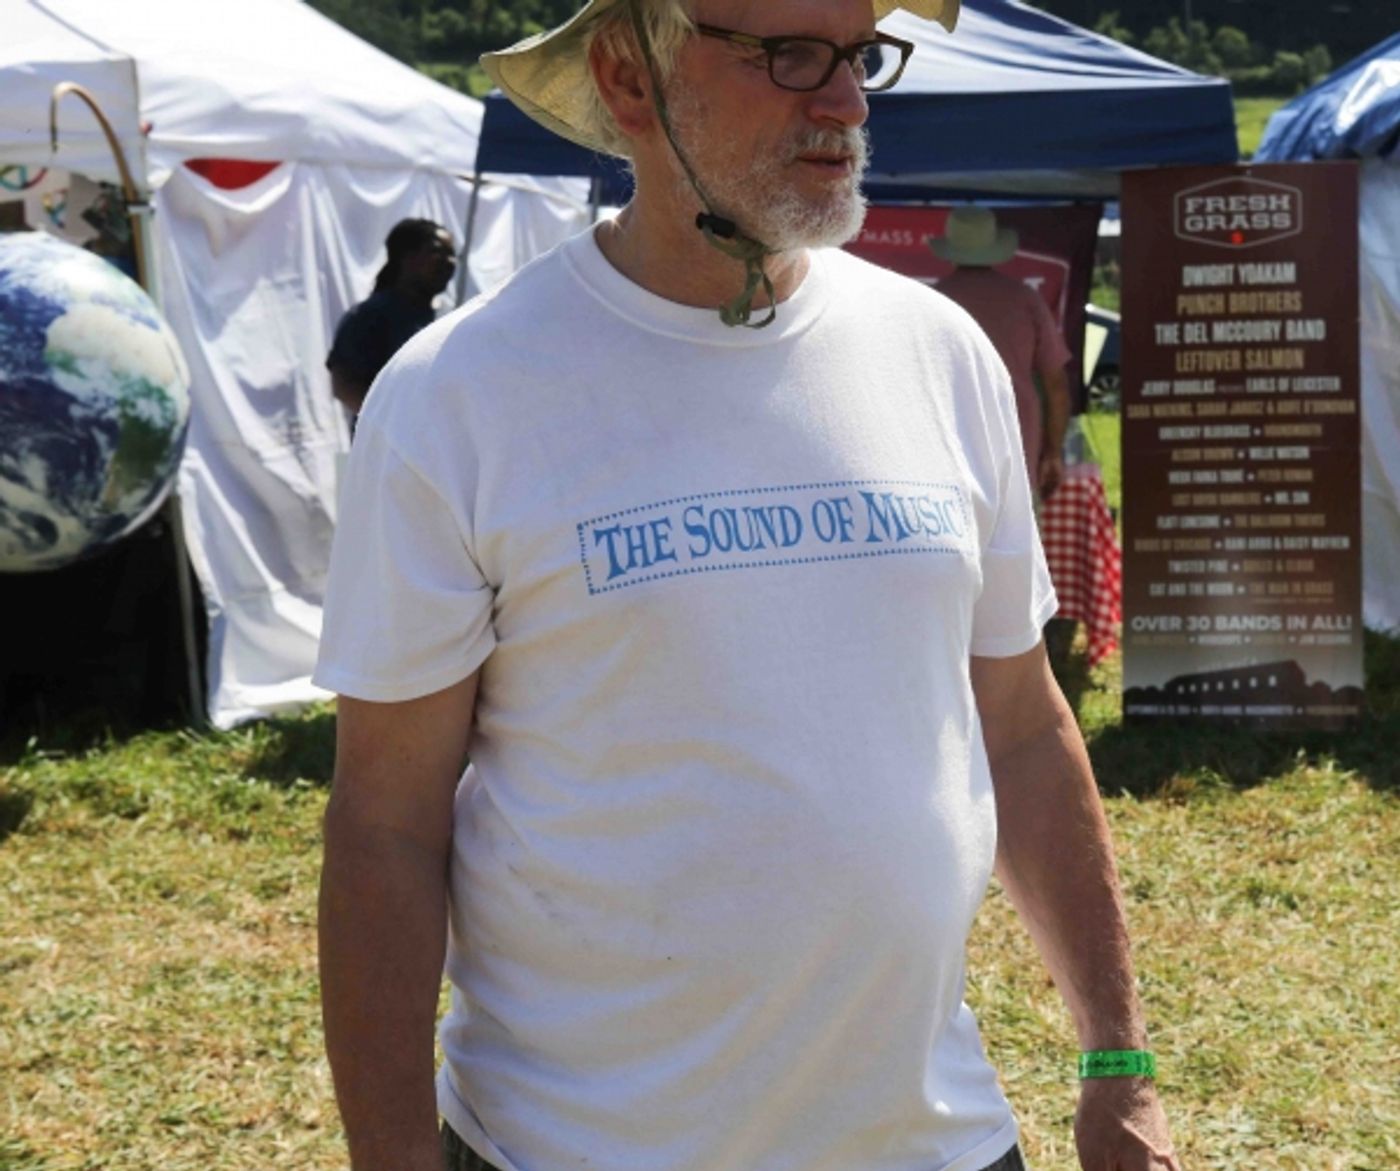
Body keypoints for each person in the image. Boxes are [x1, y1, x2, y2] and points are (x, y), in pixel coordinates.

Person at [314, 4, 1183, 1171]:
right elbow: (383, 824)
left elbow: (1021, 732)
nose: (846, 103)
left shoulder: (937, 354)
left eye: (858, 55)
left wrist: (1116, 1059)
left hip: (932, 1143)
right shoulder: (458, 394)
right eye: (788, 55)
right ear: (630, 79)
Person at [931, 207, 1074, 503]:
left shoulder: (933, 301)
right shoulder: (1025, 299)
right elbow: (1056, 386)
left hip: (950, 452)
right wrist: (1052, 453)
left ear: (952, 249)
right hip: (1019, 447)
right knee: (1020, 546)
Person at [325, 218, 457, 417]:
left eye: (452, 254)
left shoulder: (444, 318)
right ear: (406, 256)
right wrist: (395, 425)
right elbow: (345, 385)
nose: (449, 262)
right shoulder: (370, 315)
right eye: (437, 251)